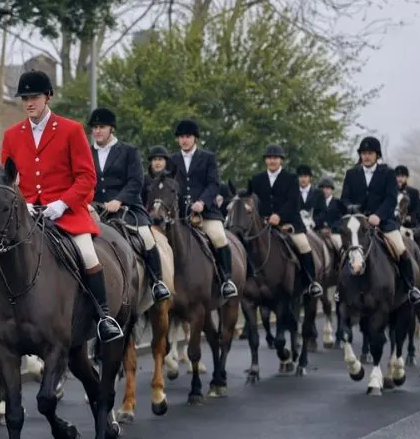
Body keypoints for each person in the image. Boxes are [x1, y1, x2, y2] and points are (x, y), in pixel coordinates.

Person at [0, 70, 124, 359]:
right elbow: (5, 181)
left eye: (34, 97)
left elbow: (87, 177)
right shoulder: (13, 135)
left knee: (88, 254)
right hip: (24, 215)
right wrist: (22, 204)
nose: (29, 103)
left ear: (47, 97)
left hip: (65, 214)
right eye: (25, 98)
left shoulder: (71, 130)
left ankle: (103, 318)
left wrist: (61, 204)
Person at [88, 107, 170, 302]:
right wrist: (88, 203)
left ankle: (157, 282)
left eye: (102, 127)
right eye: (95, 127)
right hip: (95, 208)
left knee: (147, 238)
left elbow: (136, 181)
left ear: (112, 129)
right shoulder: (87, 152)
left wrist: (119, 200)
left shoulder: (129, 151)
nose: (97, 131)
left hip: (127, 208)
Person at [339, 136, 420, 305]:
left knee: (400, 249)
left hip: (384, 222)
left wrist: (378, 215)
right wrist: (353, 210)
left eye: (370, 153)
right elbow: (344, 199)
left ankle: (410, 288)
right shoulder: (351, 174)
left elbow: (391, 198)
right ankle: (340, 289)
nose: (366, 156)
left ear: (377, 155)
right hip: (359, 223)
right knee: (344, 251)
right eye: (363, 153)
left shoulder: (387, 172)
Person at [167, 118, 238, 300]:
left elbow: (213, 184)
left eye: (188, 137)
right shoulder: (173, 159)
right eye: (181, 137)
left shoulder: (207, 157)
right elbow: (170, 185)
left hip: (206, 213)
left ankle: (226, 280)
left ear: (195, 138)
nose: (184, 140)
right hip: (181, 215)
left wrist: (202, 202)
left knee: (219, 237)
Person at [247, 145, 322, 297]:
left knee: (303, 244)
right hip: (264, 223)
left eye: (275, 158)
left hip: (288, 223)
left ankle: (311, 282)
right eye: (269, 158)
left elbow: (293, 202)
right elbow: (255, 201)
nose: (272, 161)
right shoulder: (256, 179)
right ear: (265, 160)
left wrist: (279, 216)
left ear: (281, 160)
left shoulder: (291, 179)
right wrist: (260, 216)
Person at [314, 177, 343, 250]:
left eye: (327, 188)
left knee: (340, 246)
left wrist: (331, 229)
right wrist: (321, 228)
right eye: (322, 188)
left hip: (334, 233)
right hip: (319, 232)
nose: (325, 190)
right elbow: (314, 217)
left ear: (331, 189)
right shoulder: (316, 203)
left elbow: (341, 220)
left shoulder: (338, 203)